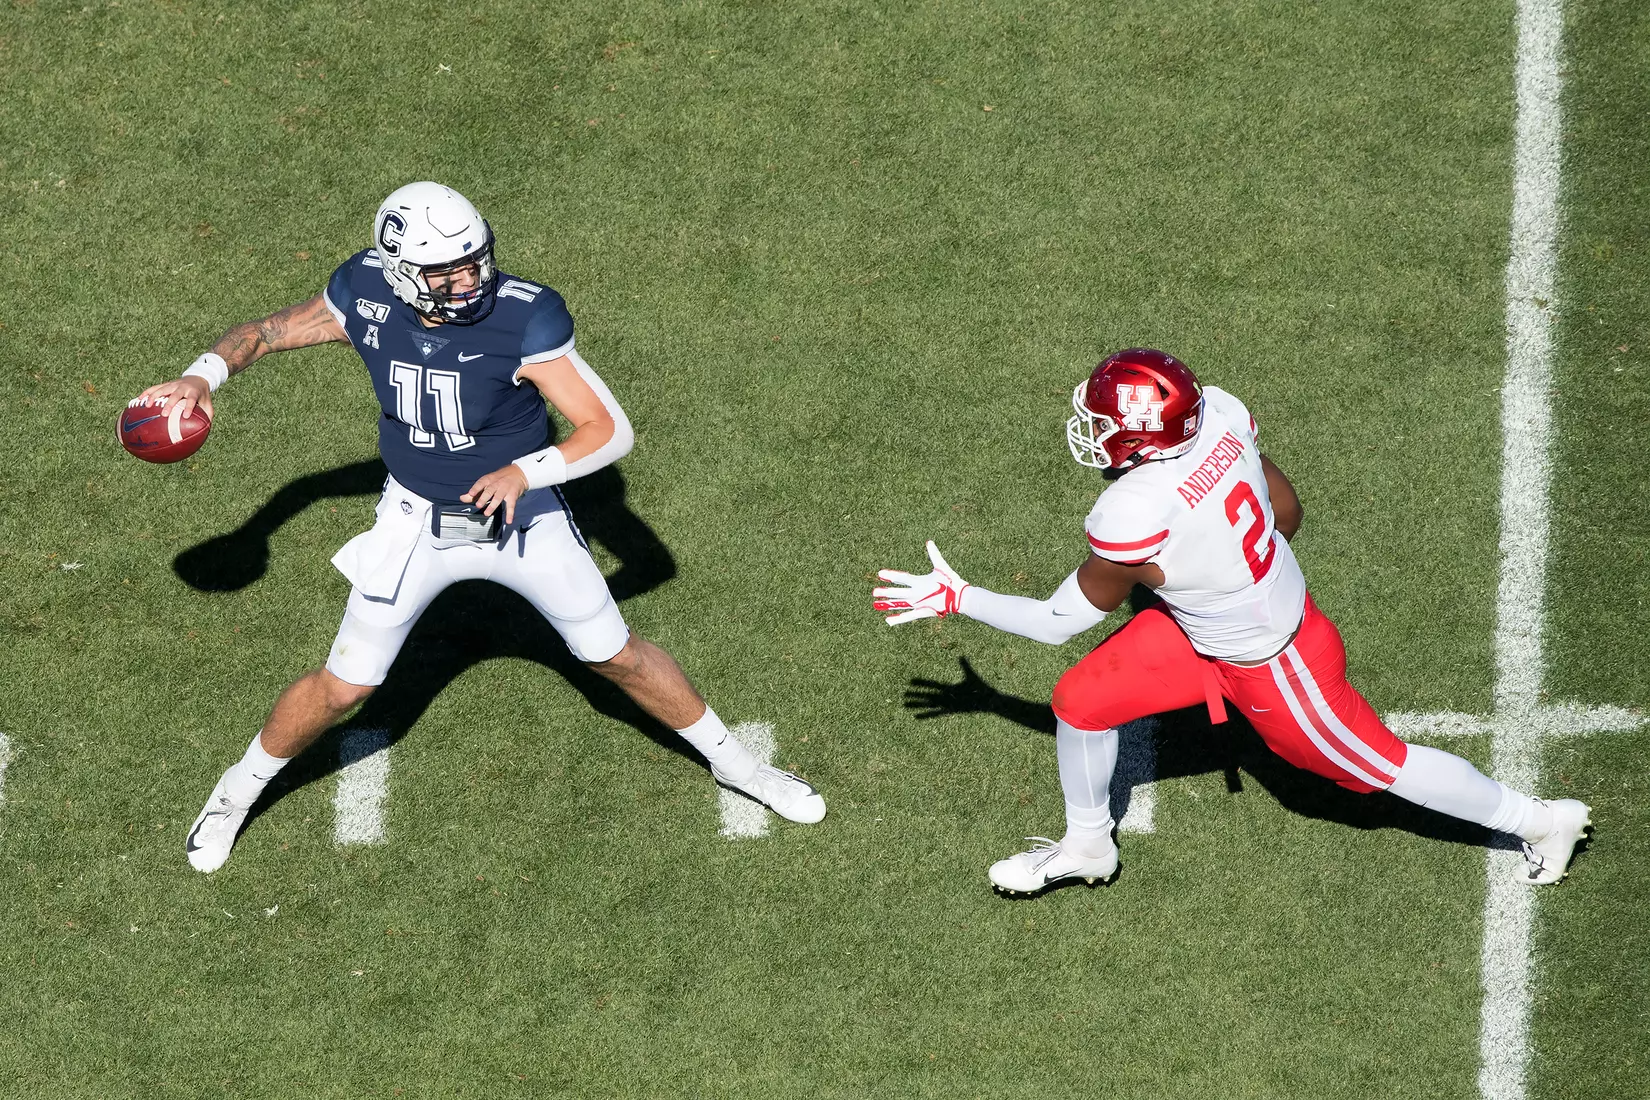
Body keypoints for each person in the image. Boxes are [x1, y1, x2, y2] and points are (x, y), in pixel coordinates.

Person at [137, 182, 825, 873]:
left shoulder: (523, 318)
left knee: (614, 655)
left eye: (474, 261)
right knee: (346, 686)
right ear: (400, 271)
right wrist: (200, 378)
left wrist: (526, 472)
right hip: (414, 519)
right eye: (446, 272)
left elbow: (608, 429)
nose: (469, 281)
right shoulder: (365, 291)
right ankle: (235, 792)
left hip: (524, 518)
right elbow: (266, 332)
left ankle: (740, 767)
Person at [873, 348, 1588, 895]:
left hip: (1276, 662)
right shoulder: (1216, 413)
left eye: (1104, 422)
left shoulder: (1130, 511)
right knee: (1082, 702)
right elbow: (1287, 512)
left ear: (1143, 437)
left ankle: (1543, 820)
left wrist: (958, 596)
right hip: (1206, 632)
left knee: (1377, 768)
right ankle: (1089, 846)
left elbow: (1059, 622)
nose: (1091, 430)